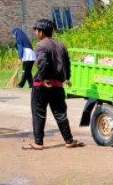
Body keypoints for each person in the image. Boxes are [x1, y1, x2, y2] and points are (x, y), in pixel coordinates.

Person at [22, 19, 83, 151]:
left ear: (41, 32)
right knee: (60, 114)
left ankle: (38, 142)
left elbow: (43, 63)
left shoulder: (40, 46)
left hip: (42, 85)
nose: (35, 32)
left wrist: (43, 79)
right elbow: (67, 64)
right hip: (58, 86)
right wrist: (66, 78)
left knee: (39, 113)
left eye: (37, 30)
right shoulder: (61, 45)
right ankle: (69, 140)